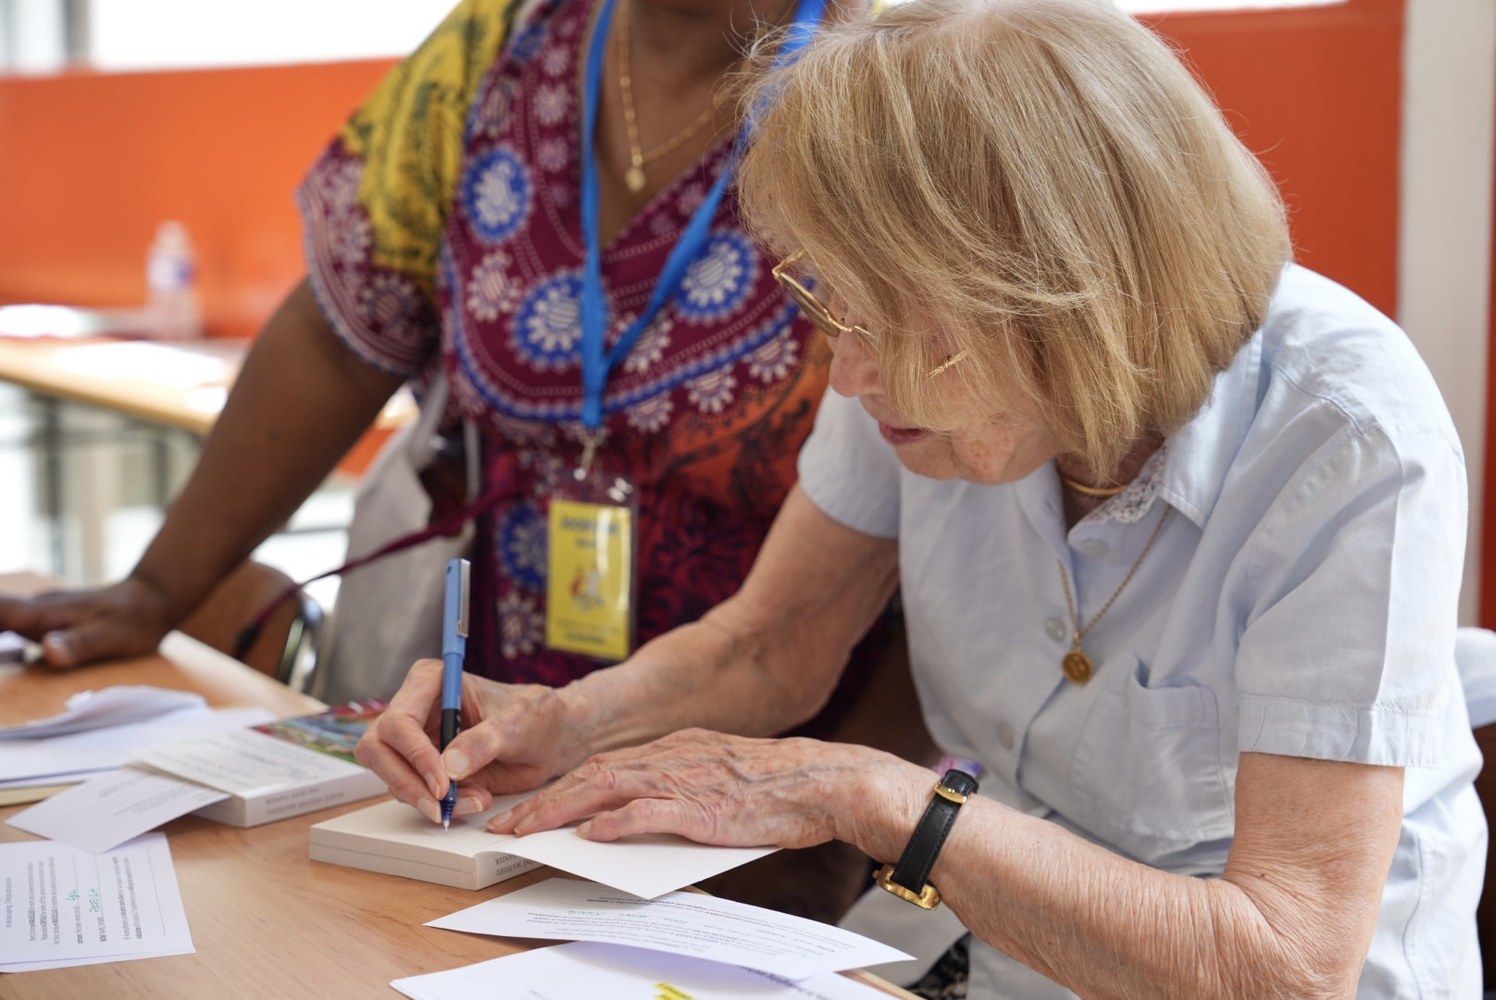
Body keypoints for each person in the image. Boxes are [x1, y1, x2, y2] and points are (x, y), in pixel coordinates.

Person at [354, 0, 1484, 995]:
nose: (847, 374)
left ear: (1068, 293)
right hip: (1000, 962)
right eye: (832, 304)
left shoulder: (1345, 436)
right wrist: (564, 724)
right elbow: (772, 640)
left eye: (890, 321)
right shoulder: (920, 362)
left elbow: (1289, 965)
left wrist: (870, 794)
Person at [0, 0, 921, 921]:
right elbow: (342, 329)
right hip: (516, 732)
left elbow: (949, 540)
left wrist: (847, 833)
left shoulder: (899, 63)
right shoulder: (504, 41)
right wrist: (158, 587)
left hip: (798, 765)